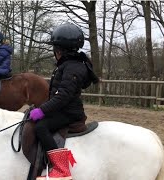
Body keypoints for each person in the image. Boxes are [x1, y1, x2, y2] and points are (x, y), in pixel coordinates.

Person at [29, 23, 99, 180]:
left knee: (41, 127)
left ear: (59, 50)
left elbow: (63, 96)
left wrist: (43, 110)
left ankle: (61, 169)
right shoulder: (69, 64)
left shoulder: (72, 67)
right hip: (64, 109)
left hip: (69, 113)